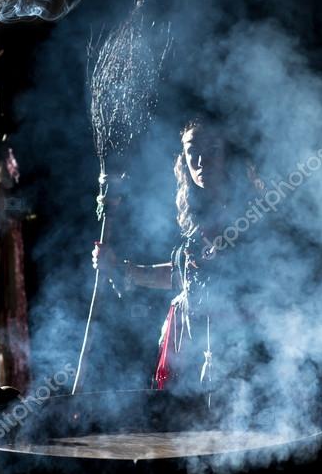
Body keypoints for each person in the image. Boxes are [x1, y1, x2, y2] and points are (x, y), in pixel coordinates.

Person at [91, 118, 264, 391]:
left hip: (235, 342)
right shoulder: (197, 216)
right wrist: (120, 268)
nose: (200, 159)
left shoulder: (254, 214)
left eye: (211, 148)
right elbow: (182, 276)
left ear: (228, 154)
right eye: (191, 150)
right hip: (189, 338)